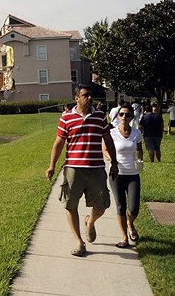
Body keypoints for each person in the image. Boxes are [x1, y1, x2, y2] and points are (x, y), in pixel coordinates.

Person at [45, 84, 118, 257]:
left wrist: (114, 162)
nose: (89, 98)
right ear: (76, 98)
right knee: (70, 205)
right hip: (73, 168)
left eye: (91, 95)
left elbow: (108, 141)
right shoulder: (66, 118)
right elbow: (59, 143)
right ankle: (79, 242)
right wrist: (52, 165)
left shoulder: (100, 117)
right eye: (85, 95)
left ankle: (90, 222)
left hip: (96, 168)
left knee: (101, 205)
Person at [103, 104, 144, 248]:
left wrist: (140, 160)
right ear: (118, 116)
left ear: (132, 117)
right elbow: (105, 150)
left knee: (134, 209)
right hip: (116, 174)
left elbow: (139, 149)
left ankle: (130, 223)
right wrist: (112, 160)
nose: (124, 117)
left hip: (133, 174)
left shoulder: (136, 133)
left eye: (127, 114)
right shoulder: (112, 133)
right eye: (121, 114)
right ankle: (124, 237)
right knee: (121, 206)